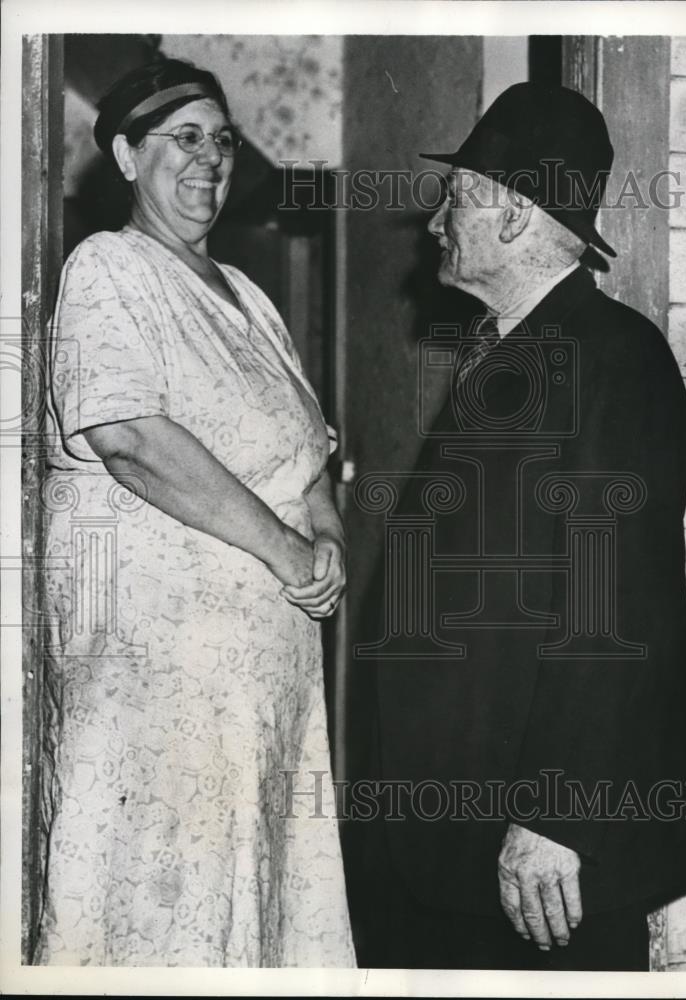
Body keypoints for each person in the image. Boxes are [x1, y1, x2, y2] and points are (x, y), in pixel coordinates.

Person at [354, 82, 686, 971]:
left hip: (539, 855)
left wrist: (558, 812)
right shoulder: (513, 347)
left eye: (458, 196)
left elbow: (619, 605)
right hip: (460, 843)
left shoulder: (614, 358)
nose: (436, 220)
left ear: (515, 215)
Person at [36, 58, 355, 967]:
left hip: (260, 693)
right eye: (184, 136)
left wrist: (325, 531)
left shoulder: (250, 298)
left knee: (248, 917)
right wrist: (286, 552)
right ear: (128, 156)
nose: (210, 157)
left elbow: (308, 454)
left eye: (222, 139)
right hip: (157, 683)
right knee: (163, 916)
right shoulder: (108, 269)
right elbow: (129, 435)